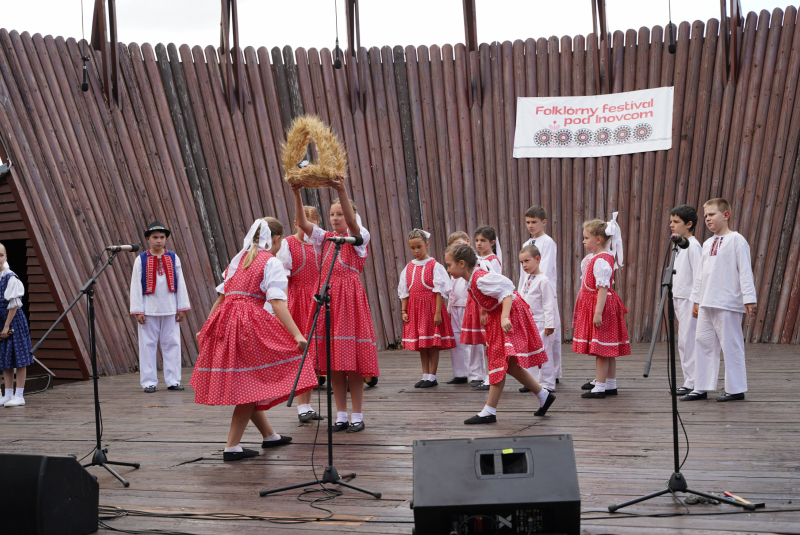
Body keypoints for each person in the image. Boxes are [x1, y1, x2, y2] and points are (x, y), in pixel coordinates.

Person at [191, 218, 316, 461]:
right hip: (248, 324)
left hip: (227, 322)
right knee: (252, 381)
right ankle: (232, 447)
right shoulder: (270, 261)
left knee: (251, 378)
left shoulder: (237, 260)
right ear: (277, 239)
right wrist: (297, 334)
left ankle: (269, 435)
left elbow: (221, 298)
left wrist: (207, 324)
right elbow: (278, 303)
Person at [294, 180, 379, 433]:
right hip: (328, 297)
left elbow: (353, 226)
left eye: (339, 213)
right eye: (331, 214)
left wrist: (341, 190)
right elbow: (303, 223)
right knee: (334, 364)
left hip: (350, 301)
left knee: (351, 361)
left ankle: (357, 414)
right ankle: (341, 414)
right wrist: (297, 192)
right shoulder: (325, 239)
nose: (334, 218)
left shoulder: (359, 238)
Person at [445, 243, 554, 424]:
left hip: (508, 314)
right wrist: (483, 312)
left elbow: (506, 291)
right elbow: (489, 296)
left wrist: (504, 317)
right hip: (497, 316)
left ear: (462, 263)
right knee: (508, 365)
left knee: (498, 362)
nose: (448, 269)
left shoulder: (479, 279)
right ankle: (543, 395)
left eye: (449, 265)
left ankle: (489, 411)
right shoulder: (472, 280)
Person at [683, 198, 757, 402]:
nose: (707, 219)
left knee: (731, 344)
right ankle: (702, 386)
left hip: (727, 302)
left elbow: (745, 271)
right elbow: (700, 274)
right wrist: (696, 300)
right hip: (707, 301)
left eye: (712, 214)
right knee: (703, 342)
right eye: (705, 216)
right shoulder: (707, 243)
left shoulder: (737, 240)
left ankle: (736, 389)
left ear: (726, 215)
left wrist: (749, 299)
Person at [574, 213, 631, 399]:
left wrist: (597, 312)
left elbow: (602, 287)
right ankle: (610, 384)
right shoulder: (595, 257)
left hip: (601, 306)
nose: (583, 241)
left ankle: (599, 387)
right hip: (598, 304)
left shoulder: (601, 260)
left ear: (598, 240)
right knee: (607, 349)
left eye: (586, 238)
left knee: (601, 349)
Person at [129, 222, 190, 393]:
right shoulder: (141, 259)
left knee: (172, 344)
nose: (159, 240)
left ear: (166, 239)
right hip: (149, 309)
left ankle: (173, 380)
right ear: (148, 239)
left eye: (162, 237)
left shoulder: (173, 257)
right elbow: (135, 286)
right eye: (155, 237)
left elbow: (181, 282)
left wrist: (181, 307)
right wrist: (138, 310)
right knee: (147, 345)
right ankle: (149, 381)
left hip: (170, 308)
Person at [277, 205, 325, 423]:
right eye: (303, 225)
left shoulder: (322, 244)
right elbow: (283, 279)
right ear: (296, 224)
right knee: (303, 352)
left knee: (317, 351)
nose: (307, 230)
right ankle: (302, 405)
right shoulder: (287, 244)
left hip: (319, 300)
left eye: (312, 225)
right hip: (298, 302)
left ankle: (310, 403)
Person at [398, 229, 455, 388]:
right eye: (412, 247)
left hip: (430, 309)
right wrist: (404, 311)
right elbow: (404, 291)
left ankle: (432, 376)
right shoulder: (409, 267)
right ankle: (425, 375)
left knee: (432, 343)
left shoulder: (434, 265)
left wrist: (438, 313)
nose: (416, 251)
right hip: (415, 310)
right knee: (422, 344)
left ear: (426, 245)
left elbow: (439, 291)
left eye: (419, 247)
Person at [519, 206, 562, 387]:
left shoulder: (548, 242)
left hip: (543, 291)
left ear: (543, 222)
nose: (530, 225)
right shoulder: (526, 245)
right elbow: (523, 273)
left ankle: (552, 374)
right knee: (531, 337)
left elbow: (547, 268)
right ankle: (533, 378)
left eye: (534, 222)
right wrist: (521, 295)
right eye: (528, 222)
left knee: (549, 335)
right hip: (529, 292)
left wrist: (542, 291)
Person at [444, 231, 487, 386]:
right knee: (457, 339)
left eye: (459, 244)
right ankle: (460, 372)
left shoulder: (479, 262)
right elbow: (452, 286)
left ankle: (476, 375)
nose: (457, 249)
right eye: (453, 246)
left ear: (467, 242)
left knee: (474, 340)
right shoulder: (454, 264)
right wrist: (450, 307)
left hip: (472, 304)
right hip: (456, 305)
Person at [668, 204, 703, 396]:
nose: (671, 225)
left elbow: (699, 275)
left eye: (676, 222)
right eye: (671, 221)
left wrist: (697, 301)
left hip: (690, 299)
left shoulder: (694, 247)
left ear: (688, 224)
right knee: (683, 341)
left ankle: (697, 382)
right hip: (679, 298)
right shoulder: (679, 246)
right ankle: (689, 380)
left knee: (689, 340)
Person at [518, 244, 558, 392]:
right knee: (530, 352)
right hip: (528, 323)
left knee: (544, 353)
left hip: (541, 324)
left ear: (537, 259)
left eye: (527, 261)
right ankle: (532, 381)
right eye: (522, 262)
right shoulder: (528, 279)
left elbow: (548, 304)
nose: (524, 265)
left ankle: (547, 383)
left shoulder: (543, 280)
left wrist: (549, 324)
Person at [466, 226, 502, 391]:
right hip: (477, 302)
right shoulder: (479, 259)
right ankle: (482, 375)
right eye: (477, 240)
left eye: (483, 241)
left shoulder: (492, 261)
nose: (479, 244)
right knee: (482, 341)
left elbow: (490, 286)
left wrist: (484, 310)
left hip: (487, 305)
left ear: (492, 242)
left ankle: (491, 377)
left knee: (490, 341)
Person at [0, 243, 32, 407]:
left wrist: (6, 327)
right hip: (2, 321)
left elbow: (13, 305)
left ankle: (19, 395)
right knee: (5, 358)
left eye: (1, 255)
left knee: (20, 358)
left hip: (13, 321)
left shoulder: (10, 277)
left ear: (5, 257)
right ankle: (8, 394)